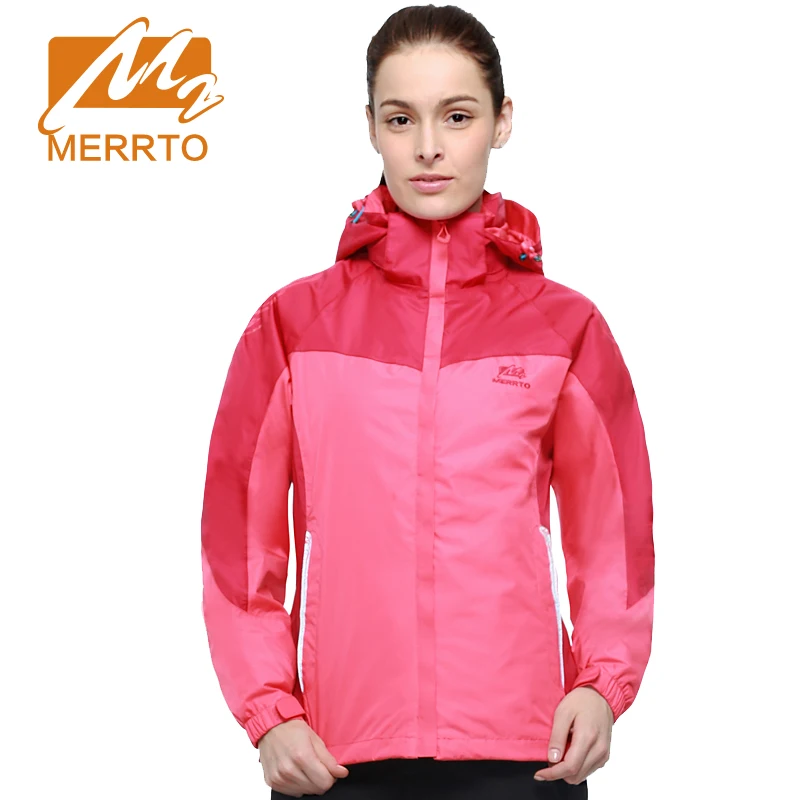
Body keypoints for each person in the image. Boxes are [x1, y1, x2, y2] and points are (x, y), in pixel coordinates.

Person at [200, 4, 654, 798]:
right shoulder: (294, 325)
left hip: (527, 750)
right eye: (401, 118)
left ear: (502, 122)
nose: (429, 147)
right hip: (333, 753)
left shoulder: (566, 327)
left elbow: (611, 532)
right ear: (371, 127)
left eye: (458, 116)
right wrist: (269, 713)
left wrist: (601, 681)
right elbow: (240, 540)